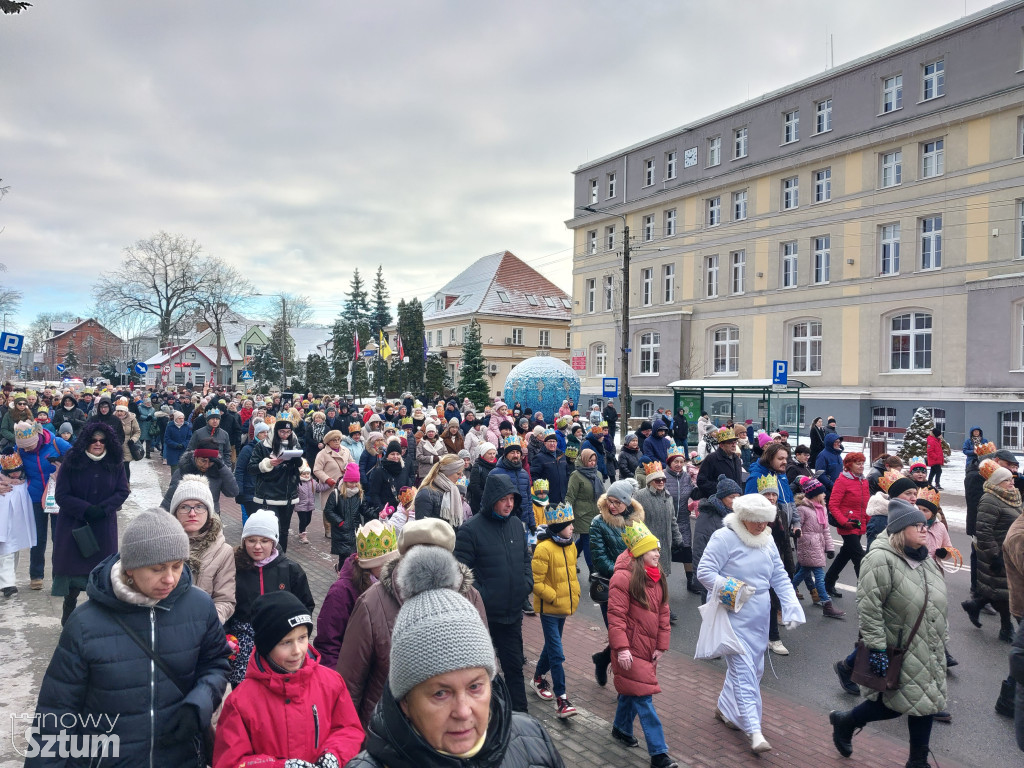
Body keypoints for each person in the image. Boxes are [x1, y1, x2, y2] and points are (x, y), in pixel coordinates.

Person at [29, 510, 231, 768]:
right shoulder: (85, 623)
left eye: (177, 566)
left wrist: (200, 700)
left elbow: (216, 663)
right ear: (131, 568)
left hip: (181, 757)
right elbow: (56, 712)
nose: (169, 578)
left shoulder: (199, 607)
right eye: (157, 569)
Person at [344, 535, 564, 768]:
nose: (462, 711)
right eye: (440, 693)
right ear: (405, 702)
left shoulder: (532, 741)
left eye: (475, 687)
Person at [829, 499, 949, 768]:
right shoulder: (880, 559)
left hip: (926, 644)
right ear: (899, 529)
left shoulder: (925, 558)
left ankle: (917, 761)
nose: (924, 529)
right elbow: (869, 606)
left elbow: (936, 602)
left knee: (925, 701)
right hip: (898, 646)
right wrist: (876, 647)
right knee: (891, 704)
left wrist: (942, 639)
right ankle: (846, 721)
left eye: (925, 524)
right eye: (917, 525)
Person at [338, 519, 488, 724]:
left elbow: (486, 671)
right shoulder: (373, 602)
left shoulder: (470, 597)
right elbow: (349, 684)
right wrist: (352, 744)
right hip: (391, 735)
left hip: (456, 731)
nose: (428, 564)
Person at [697, 493, 805, 754]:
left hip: (759, 619)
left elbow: (779, 575)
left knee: (753, 671)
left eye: (765, 521)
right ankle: (754, 729)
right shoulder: (724, 537)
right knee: (744, 672)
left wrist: (791, 606)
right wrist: (734, 590)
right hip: (733, 618)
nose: (761, 526)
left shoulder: (766, 540)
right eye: (756, 521)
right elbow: (704, 572)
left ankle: (725, 708)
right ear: (743, 517)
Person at [213, 591, 365, 768]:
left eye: (302, 638)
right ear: (266, 646)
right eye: (286, 642)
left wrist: (334, 755)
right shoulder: (240, 702)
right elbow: (230, 762)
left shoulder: (331, 682)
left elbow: (348, 729)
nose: (298, 650)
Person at [455, 472, 533, 713]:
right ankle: (486, 719)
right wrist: (484, 596)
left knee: (514, 669)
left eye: (512, 498)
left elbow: (524, 560)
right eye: (503, 499)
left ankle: (522, 718)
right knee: (482, 674)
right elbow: (460, 574)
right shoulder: (470, 530)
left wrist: (525, 584)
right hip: (484, 618)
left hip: (512, 614)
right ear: (491, 499)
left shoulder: (516, 526)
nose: (509, 504)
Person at [51, 421, 129, 624]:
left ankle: (98, 618)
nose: (98, 444)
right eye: (93, 440)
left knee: (101, 573)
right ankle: (68, 614)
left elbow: (122, 491)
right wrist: (85, 509)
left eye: (102, 441)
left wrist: (103, 509)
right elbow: (62, 495)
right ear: (86, 441)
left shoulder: (115, 462)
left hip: (103, 526)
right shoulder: (72, 461)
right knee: (74, 576)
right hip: (74, 525)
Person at [225, 510, 314, 686]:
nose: (257, 546)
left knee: (278, 685)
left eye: (264, 541)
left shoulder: (290, 570)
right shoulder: (234, 568)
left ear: (273, 542)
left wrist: (295, 633)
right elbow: (226, 603)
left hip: (281, 638)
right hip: (243, 642)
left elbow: (306, 605)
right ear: (244, 542)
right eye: (251, 540)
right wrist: (227, 634)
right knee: (246, 688)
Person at [315, 520, 400, 671]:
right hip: (355, 674)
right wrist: (339, 683)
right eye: (384, 563)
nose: (391, 569)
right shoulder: (341, 592)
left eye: (393, 562)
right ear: (369, 565)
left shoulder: (398, 583)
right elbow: (328, 644)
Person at [530, 501, 580, 718]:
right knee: (557, 654)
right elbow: (535, 581)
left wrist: (573, 595)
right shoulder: (543, 548)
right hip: (550, 609)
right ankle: (562, 700)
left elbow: (572, 576)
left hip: (564, 608)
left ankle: (538, 678)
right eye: (568, 524)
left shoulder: (571, 545)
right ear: (558, 526)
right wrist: (553, 596)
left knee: (551, 647)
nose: (572, 528)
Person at [961, 465, 1022, 642]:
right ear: (997, 482)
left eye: (1012, 479)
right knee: (1005, 590)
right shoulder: (989, 499)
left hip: (1011, 551)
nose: (1012, 482)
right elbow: (984, 531)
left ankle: (975, 605)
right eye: (1007, 480)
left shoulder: (1013, 496)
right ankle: (1006, 628)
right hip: (996, 553)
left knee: (999, 587)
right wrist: (995, 556)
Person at [168, 474, 236, 624]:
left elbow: (225, 600)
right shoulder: (162, 544)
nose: (192, 513)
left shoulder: (222, 551)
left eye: (199, 507)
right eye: (184, 507)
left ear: (209, 512)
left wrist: (205, 623)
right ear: (175, 512)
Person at [15, 420, 70, 592]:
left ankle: (59, 577)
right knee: (37, 538)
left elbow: (78, 459)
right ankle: (36, 575)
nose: (26, 450)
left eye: (29, 447)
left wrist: (63, 469)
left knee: (59, 537)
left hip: (57, 496)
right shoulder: (20, 449)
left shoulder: (56, 443)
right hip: (35, 497)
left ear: (37, 439)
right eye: (23, 448)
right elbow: (7, 468)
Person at [634, 461, 683, 624]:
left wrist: (677, 537)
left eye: (663, 480)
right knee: (649, 578)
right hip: (648, 546)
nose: (661, 482)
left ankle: (662, 608)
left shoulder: (668, 497)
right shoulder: (640, 496)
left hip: (665, 545)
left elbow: (673, 520)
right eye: (657, 480)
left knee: (661, 578)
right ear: (650, 481)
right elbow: (635, 521)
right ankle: (654, 609)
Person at [792, 476, 844, 618]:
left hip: (818, 546)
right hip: (807, 545)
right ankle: (827, 605)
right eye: (822, 492)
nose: (824, 494)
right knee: (819, 577)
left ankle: (787, 592)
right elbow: (796, 526)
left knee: (802, 573)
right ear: (814, 494)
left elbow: (825, 530)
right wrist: (797, 533)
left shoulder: (822, 509)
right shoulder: (803, 509)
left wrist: (830, 547)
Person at [249, 419, 303, 552]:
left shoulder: (294, 444)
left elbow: (300, 465)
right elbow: (251, 468)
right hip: (269, 494)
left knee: (284, 530)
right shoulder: (262, 446)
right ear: (276, 431)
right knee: (271, 530)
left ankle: (280, 556)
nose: (285, 435)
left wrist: (298, 460)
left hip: (288, 494)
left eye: (288, 432)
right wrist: (267, 464)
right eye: (282, 432)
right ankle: (268, 555)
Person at [825, 451, 869, 599]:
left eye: (862, 463)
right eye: (858, 463)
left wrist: (868, 522)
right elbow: (833, 505)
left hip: (859, 525)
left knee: (845, 554)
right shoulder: (842, 481)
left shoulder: (864, 481)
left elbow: (866, 504)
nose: (861, 466)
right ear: (849, 465)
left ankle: (828, 582)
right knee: (859, 558)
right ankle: (865, 593)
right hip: (847, 526)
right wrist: (844, 522)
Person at [161, 440, 239, 515]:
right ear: (196, 457)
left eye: (211, 462)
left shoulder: (218, 471)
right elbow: (170, 498)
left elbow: (232, 492)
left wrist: (223, 468)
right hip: (188, 516)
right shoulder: (183, 471)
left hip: (212, 516)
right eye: (203, 461)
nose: (206, 465)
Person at [0, 452, 34, 597]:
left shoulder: (25, 483)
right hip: (4, 523)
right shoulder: (3, 485)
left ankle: (8, 580)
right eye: (10, 472)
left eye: (17, 471)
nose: (14, 475)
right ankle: (7, 583)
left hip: (17, 523)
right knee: (6, 550)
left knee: (14, 551)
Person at [566, 447, 602, 575]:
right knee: (588, 540)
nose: (593, 463)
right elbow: (570, 496)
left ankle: (570, 559)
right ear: (583, 460)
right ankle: (593, 570)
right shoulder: (576, 475)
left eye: (594, 460)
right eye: (590, 460)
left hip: (596, 512)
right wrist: (567, 515)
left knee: (583, 540)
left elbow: (602, 494)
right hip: (582, 513)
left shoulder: (598, 474)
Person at [323, 462, 363, 569]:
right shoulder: (336, 494)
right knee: (344, 557)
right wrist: (340, 522)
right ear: (345, 481)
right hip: (341, 532)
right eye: (351, 482)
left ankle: (347, 576)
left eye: (356, 482)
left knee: (354, 557)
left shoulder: (359, 494)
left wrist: (377, 513)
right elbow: (328, 511)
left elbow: (364, 509)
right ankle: (341, 574)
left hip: (354, 531)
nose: (353, 485)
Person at [489, 436, 533, 532]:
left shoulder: (524, 474)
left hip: (523, 521)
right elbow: (488, 500)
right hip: (503, 522)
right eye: (512, 452)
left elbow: (529, 500)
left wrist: (532, 523)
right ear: (506, 454)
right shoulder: (495, 473)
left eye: (518, 452)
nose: (515, 455)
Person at [416, 453, 469, 530]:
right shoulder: (426, 493)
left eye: (461, 474)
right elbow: (422, 529)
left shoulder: (453, 491)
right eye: (458, 474)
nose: (460, 477)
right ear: (448, 472)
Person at [694, 427, 742, 500]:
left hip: (735, 501)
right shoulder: (711, 459)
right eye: (730, 442)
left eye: (735, 442)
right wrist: (721, 490)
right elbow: (701, 482)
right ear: (721, 445)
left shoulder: (736, 459)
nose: (734, 445)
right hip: (717, 502)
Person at [295, 461, 329, 545]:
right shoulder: (298, 483)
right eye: (304, 474)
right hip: (300, 506)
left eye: (308, 474)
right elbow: (294, 493)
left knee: (308, 520)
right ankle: (303, 535)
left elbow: (319, 488)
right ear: (300, 474)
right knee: (303, 520)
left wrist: (328, 485)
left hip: (310, 505)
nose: (306, 475)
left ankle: (301, 531)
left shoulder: (312, 482)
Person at [532, 429, 568, 506]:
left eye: (554, 441)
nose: (552, 444)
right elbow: (534, 476)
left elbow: (567, 473)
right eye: (550, 441)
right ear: (545, 443)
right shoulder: (539, 457)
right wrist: (541, 493)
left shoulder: (562, 456)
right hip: (549, 497)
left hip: (563, 496)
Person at [114, 400, 142, 481]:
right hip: (115, 445)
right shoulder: (113, 418)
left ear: (125, 411)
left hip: (127, 446)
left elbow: (137, 431)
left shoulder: (132, 419)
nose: (119, 413)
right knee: (115, 466)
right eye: (118, 411)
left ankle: (126, 484)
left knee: (125, 466)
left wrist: (133, 439)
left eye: (121, 411)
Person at [467, 441, 497, 515]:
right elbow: (474, 486)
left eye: (494, 453)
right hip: (480, 504)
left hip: (496, 502)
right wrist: (487, 498)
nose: (492, 456)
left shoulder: (497, 466)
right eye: (489, 454)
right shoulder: (477, 467)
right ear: (483, 454)